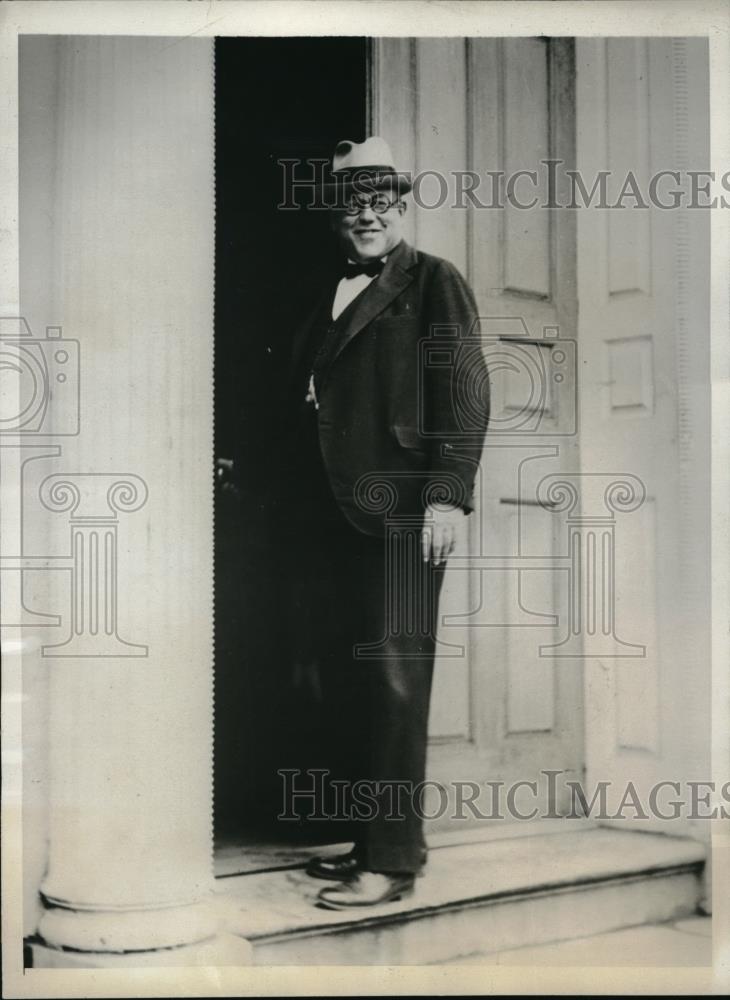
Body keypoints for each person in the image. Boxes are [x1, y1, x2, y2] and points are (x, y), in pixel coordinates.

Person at [280, 137, 490, 910]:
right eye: (352, 204)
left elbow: (464, 391)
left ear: (402, 208)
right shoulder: (324, 291)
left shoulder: (435, 282)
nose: (366, 215)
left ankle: (394, 863)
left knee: (398, 677)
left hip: (406, 508)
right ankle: (371, 839)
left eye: (381, 203)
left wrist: (447, 494)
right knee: (353, 673)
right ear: (338, 217)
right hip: (335, 511)